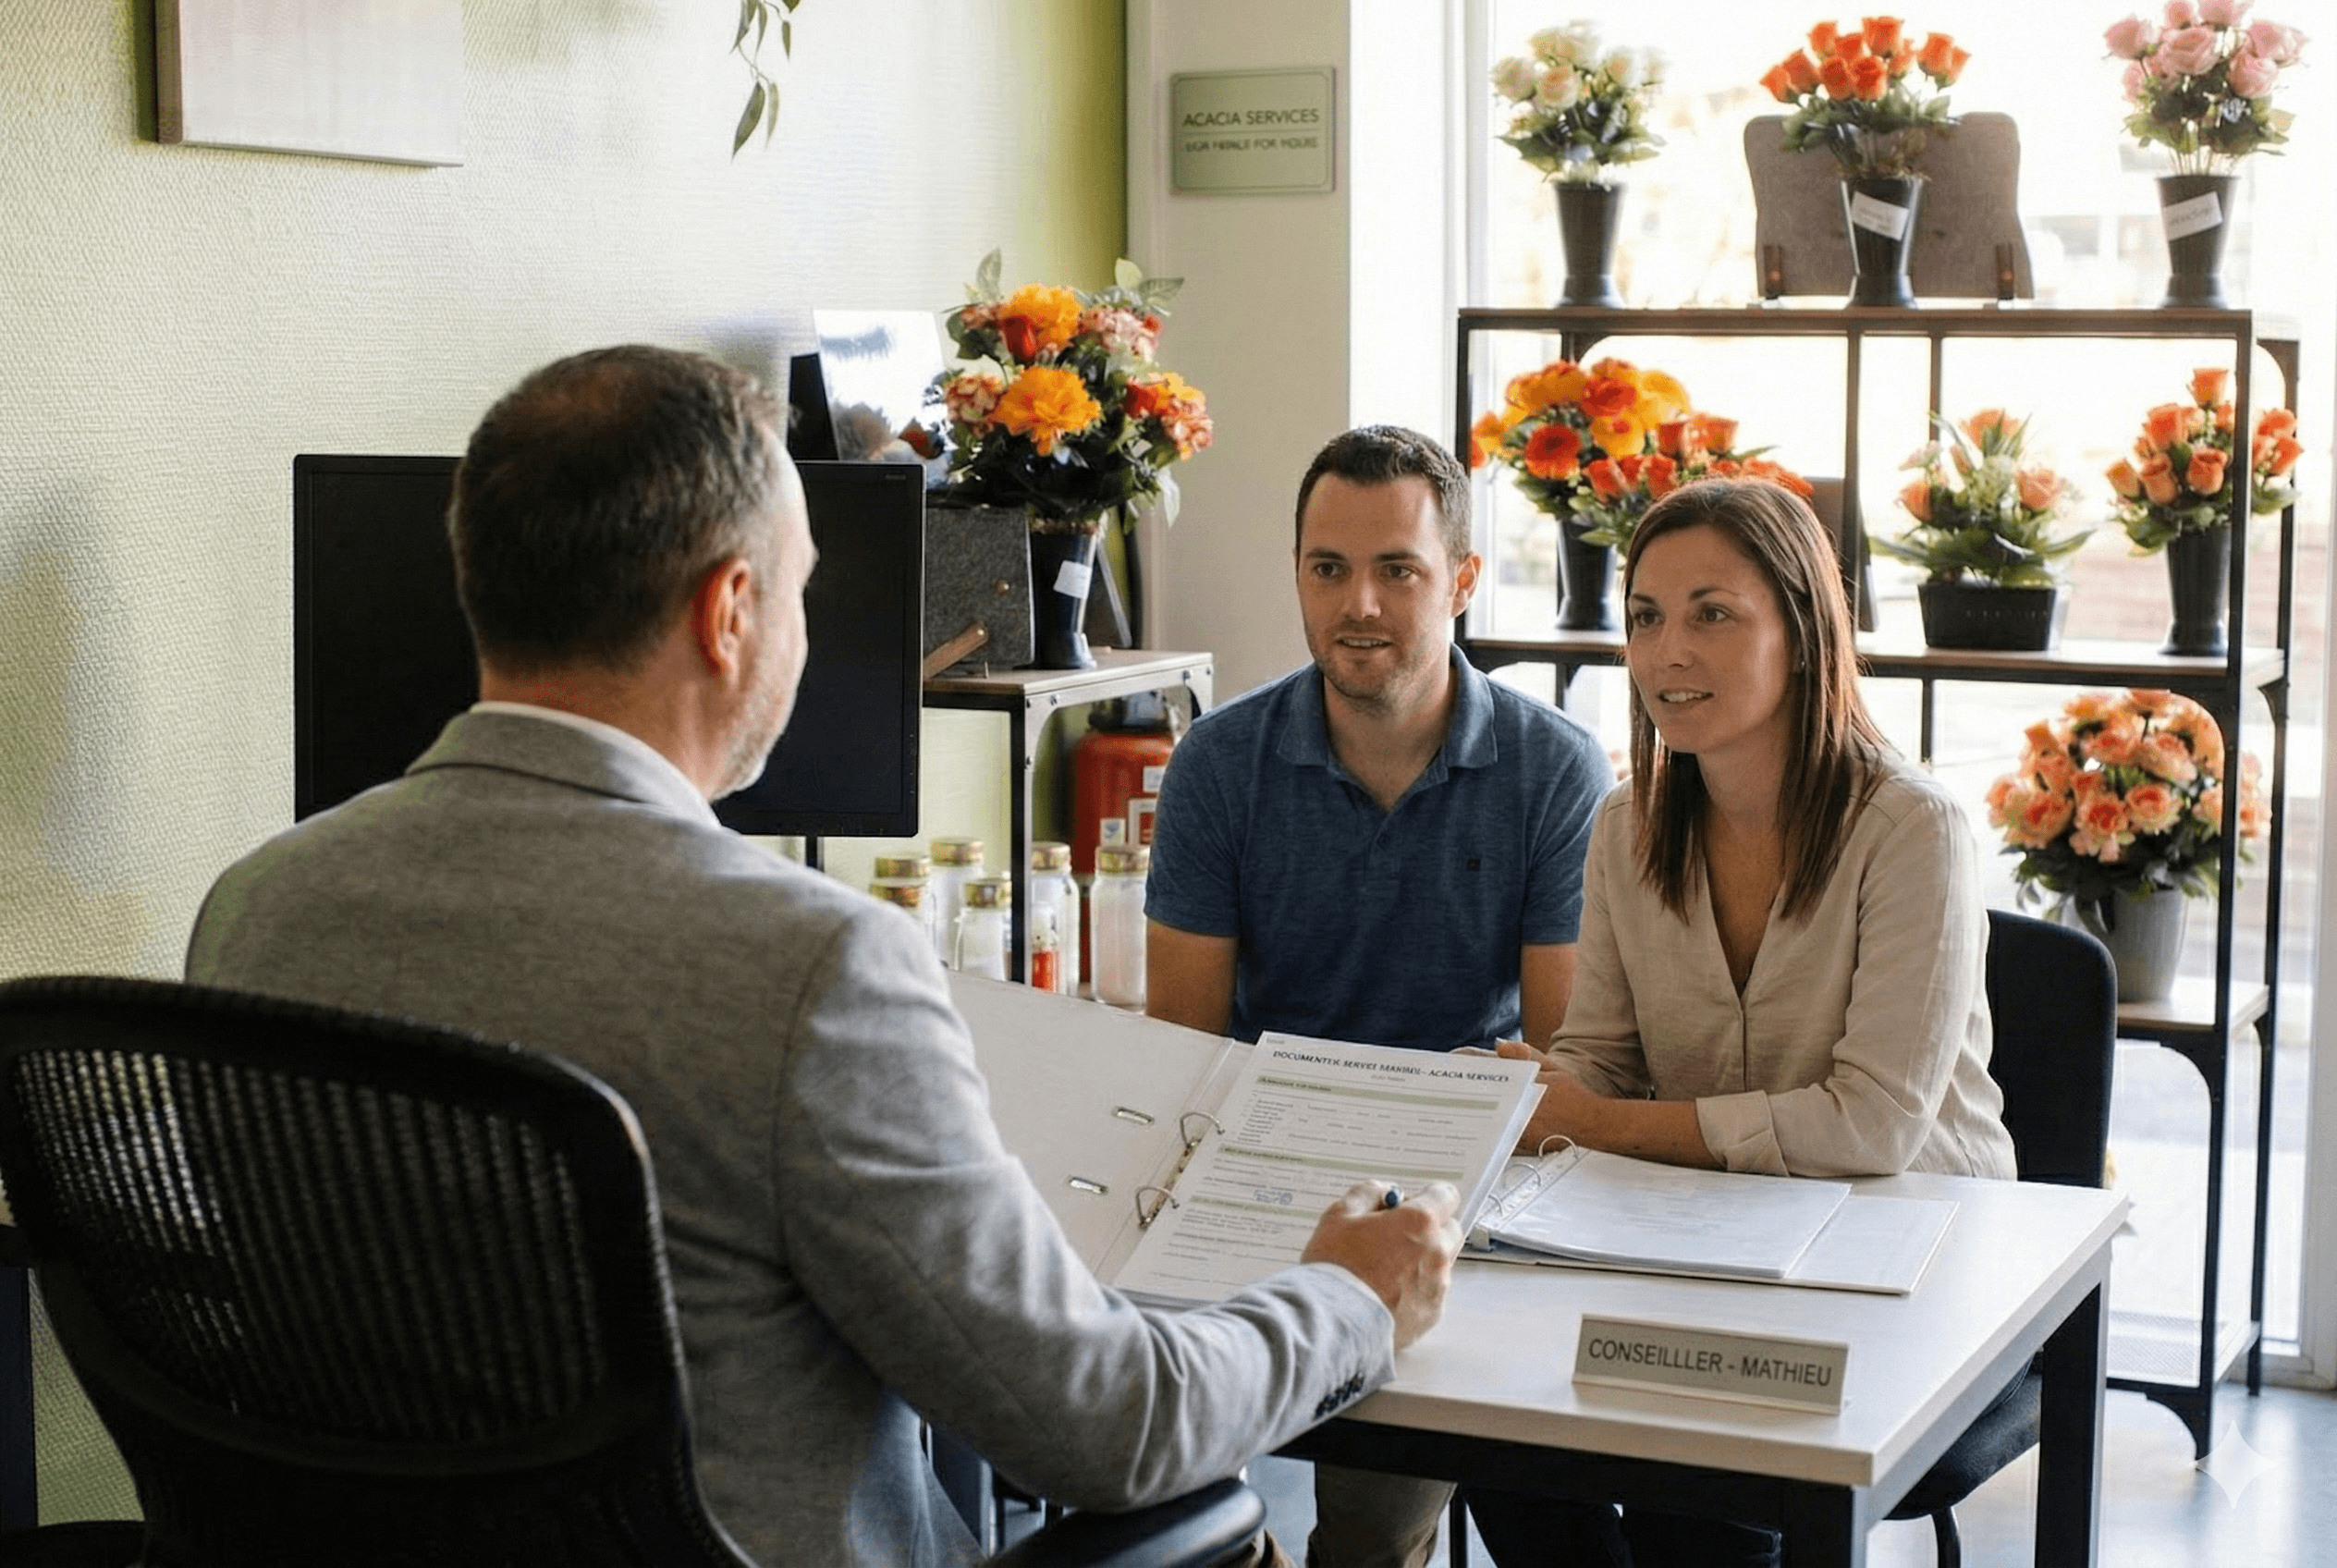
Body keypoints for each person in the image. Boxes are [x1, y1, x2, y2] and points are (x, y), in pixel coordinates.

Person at [183, 346, 1465, 1568]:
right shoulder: (811, 967)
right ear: (730, 612)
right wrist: (1346, 1299)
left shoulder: (255, 911)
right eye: (801, 590)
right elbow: (1109, 1426)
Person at [1465, 477, 2016, 1568]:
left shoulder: (1912, 828)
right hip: (1708, 1243)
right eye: (1645, 616)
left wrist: (1589, 1120)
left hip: (1907, 1259)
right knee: (1492, 1425)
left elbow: (1869, 1127)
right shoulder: (1626, 824)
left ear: (1801, 634)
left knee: (1698, 1480)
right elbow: (1601, 1058)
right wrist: (1519, 1095)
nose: (1667, 651)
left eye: (1711, 613)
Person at [1144, 424, 1611, 1568]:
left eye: (1396, 569)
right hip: (1262, 1159)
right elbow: (1180, 1056)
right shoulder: (1217, 762)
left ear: (1461, 578)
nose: (1357, 603)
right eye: (1327, 568)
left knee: (1373, 1519)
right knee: (1142, 1467)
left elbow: (1559, 1063)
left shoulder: (1553, 768)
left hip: (1455, 1175)